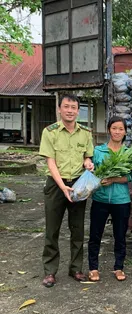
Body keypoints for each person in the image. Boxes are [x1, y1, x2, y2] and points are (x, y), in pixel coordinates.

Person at [39, 93, 94, 287]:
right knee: (52, 229)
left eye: (74, 107)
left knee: (77, 228)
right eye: (66, 107)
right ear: (59, 109)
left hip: (79, 184)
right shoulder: (50, 132)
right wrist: (62, 187)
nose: (70, 110)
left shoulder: (86, 133)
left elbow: (88, 156)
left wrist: (88, 162)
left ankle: (75, 268)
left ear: (78, 111)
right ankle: (50, 271)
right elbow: (50, 161)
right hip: (56, 184)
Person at [87, 116, 131, 282]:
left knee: (120, 236)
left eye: (121, 129)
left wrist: (112, 180)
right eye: (114, 128)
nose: (117, 132)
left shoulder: (128, 153)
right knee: (95, 234)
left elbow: (129, 177)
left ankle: (119, 267)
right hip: (100, 199)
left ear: (125, 131)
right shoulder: (98, 151)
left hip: (121, 200)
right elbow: (92, 172)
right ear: (108, 130)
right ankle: (93, 268)